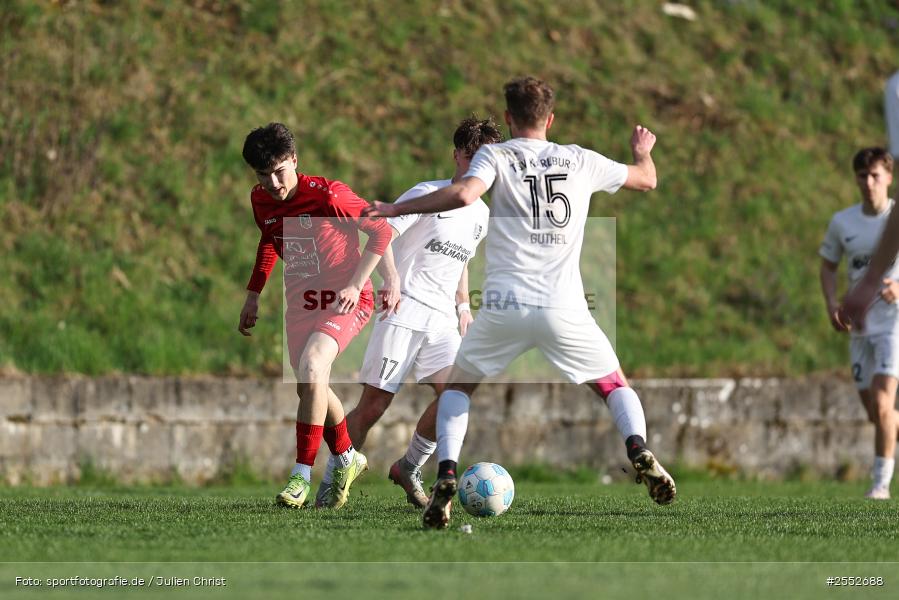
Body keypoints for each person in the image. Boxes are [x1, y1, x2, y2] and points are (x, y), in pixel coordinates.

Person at [364, 76, 677, 529]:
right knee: (612, 384)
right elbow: (646, 180)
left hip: (504, 306)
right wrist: (642, 151)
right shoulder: (579, 159)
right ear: (551, 119)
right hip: (564, 306)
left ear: (508, 118)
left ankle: (446, 474)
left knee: (457, 390)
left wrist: (394, 209)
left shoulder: (496, 154)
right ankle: (637, 448)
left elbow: (464, 194)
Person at [324, 117, 502, 509]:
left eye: (486, 160)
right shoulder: (428, 193)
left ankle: (409, 466)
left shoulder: (482, 214)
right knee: (374, 405)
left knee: (456, 393)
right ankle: (332, 477)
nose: (478, 168)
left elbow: (462, 261)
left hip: (441, 319)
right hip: (403, 310)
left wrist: (462, 306)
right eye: (471, 157)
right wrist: (390, 279)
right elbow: (380, 228)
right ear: (456, 155)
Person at [238, 123, 399, 509]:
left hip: (346, 298)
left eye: (279, 170)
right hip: (301, 302)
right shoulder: (261, 200)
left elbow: (381, 231)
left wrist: (375, 280)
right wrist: (253, 294)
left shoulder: (329, 194)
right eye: (263, 175)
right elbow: (269, 239)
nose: (274, 183)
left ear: (294, 159)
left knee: (312, 366)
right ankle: (346, 457)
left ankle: (300, 476)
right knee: (310, 387)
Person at [821, 147, 899, 499]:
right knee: (876, 414)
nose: (868, 183)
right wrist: (832, 304)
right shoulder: (843, 222)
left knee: (884, 405)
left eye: (875, 176)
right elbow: (828, 265)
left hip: (893, 326)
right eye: (861, 176)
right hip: (860, 328)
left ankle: (880, 485)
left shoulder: (897, 216)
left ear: (889, 178)